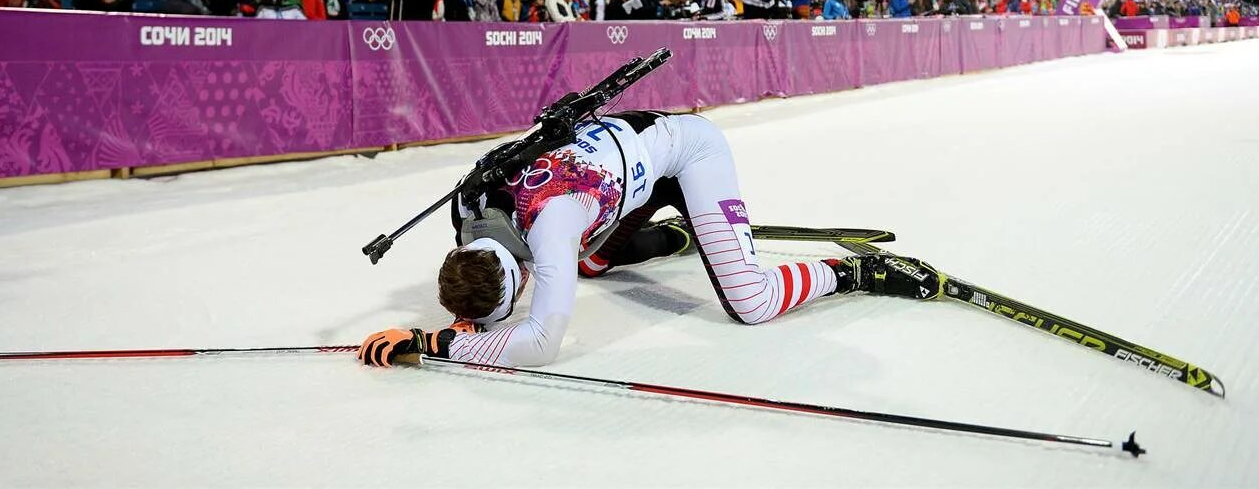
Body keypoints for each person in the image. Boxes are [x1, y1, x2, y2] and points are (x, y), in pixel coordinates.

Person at [358, 111, 942, 369]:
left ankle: (852, 272)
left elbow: (540, 344)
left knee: (751, 304)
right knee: (586, 266)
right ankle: (668, 238)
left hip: (687, 152)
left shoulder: (550, 226)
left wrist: (432, 343)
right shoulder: (468, 206)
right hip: (625, 169)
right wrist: (470, 317)